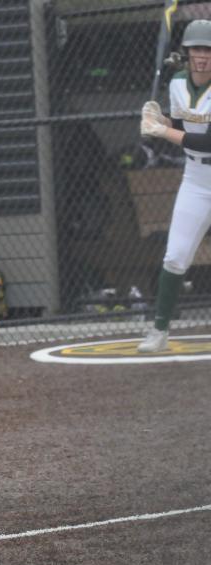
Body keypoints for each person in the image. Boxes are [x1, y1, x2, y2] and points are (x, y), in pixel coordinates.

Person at [138, 19, 211, 352]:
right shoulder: (178, 83)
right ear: (187, 52)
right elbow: (183, 124)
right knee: (176, 255)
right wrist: (159, 119)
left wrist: (163, 131)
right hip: (196, 180)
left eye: (208, 50)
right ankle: (160, 331)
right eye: (197, 49)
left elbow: (207, 140)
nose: (202, 56)